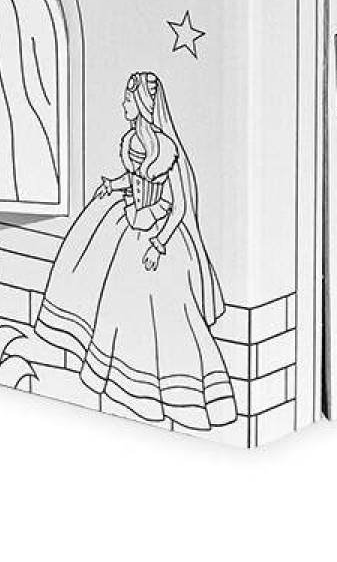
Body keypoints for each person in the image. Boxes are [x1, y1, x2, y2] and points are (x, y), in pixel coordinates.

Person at [35, 71, 237, 430]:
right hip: (128, 221)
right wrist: (112, 186)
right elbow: (133, 180)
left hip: (160, 230)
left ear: (142, 103)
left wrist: (159, 243)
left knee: (164, 313)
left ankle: (175, 393)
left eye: (128, 99)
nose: (123, 105)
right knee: (114, 298)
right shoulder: (131, 139)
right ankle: (123, 383)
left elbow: (179, 207)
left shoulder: (166, 148)